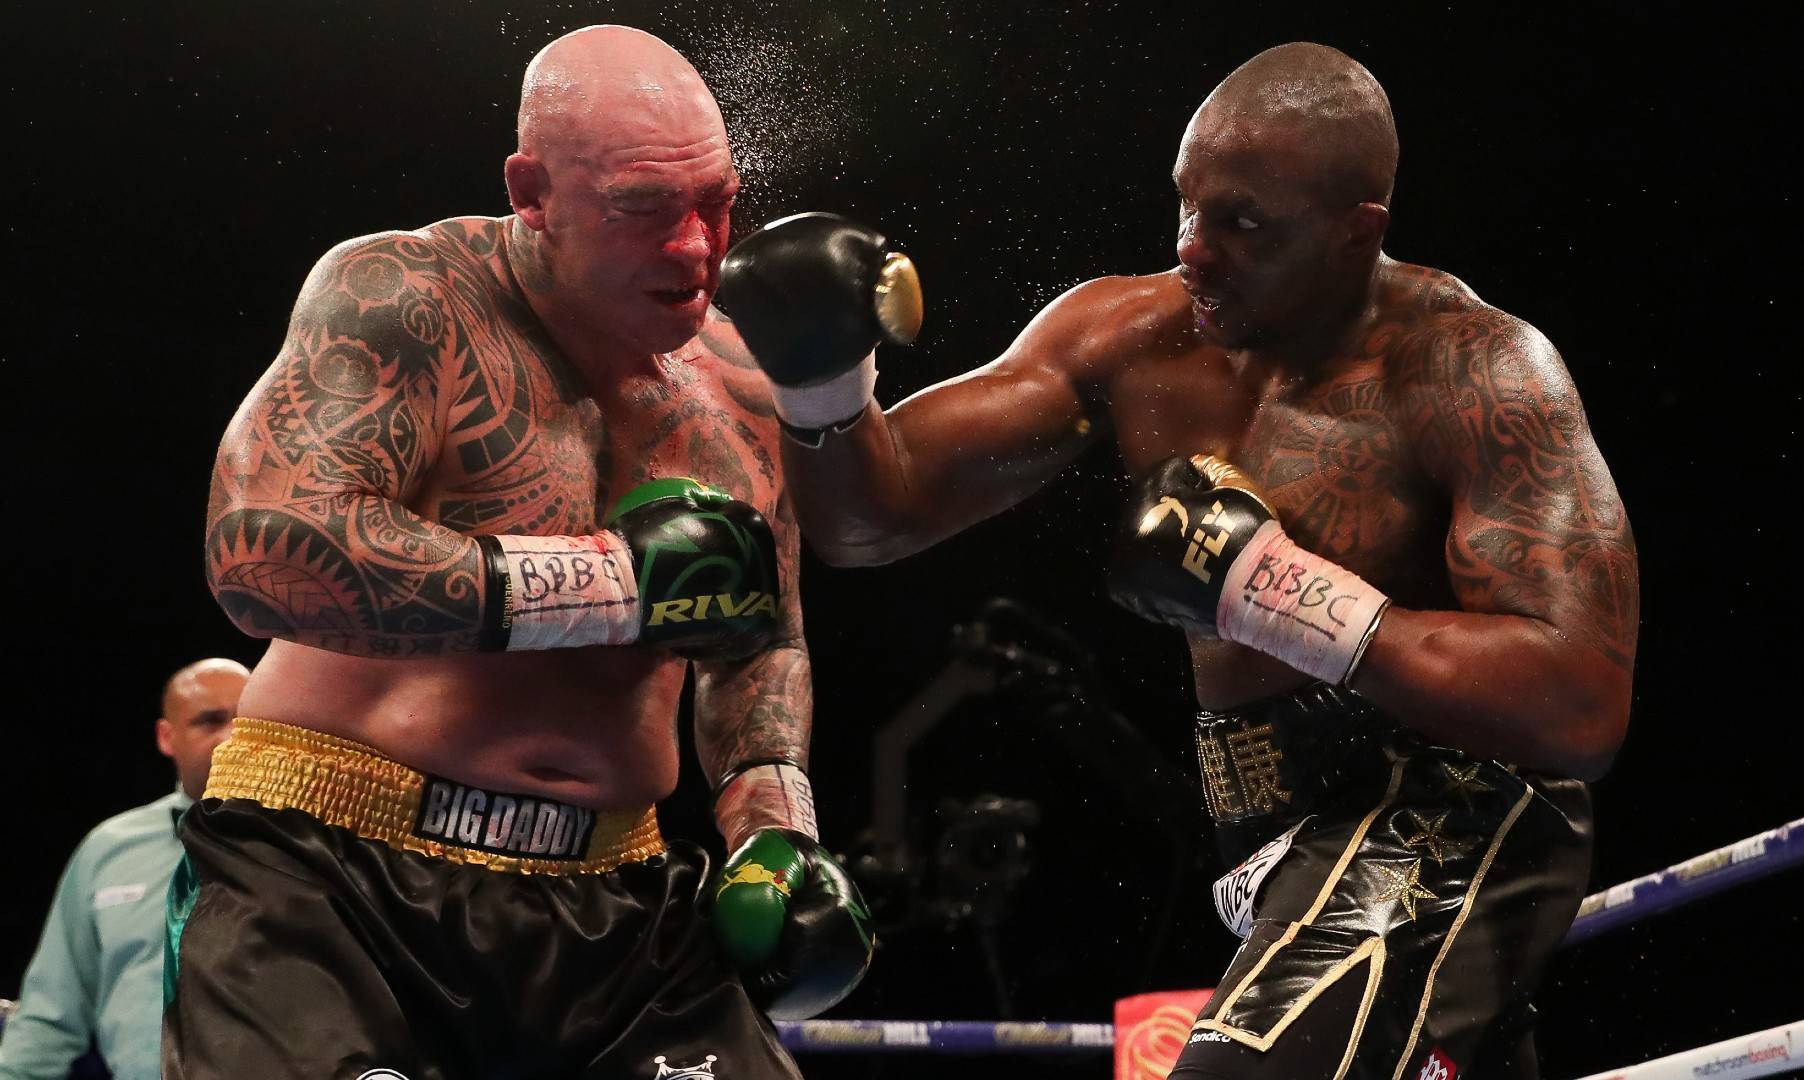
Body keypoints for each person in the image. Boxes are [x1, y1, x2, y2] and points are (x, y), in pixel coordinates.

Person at [718, 42, 1638, 1080]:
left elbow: (1581, 704)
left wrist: (1276, 591)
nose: (1194, 248)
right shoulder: (1131, 337)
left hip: (1451, 812)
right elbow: (869, 522)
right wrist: (822, 382)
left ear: (1356, 232)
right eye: (1188, 204)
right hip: (1273, 841)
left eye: (1243, 223)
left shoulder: (1473, 371)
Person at [184, 24, 870, 1080]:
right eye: (645, 207)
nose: (697, 246)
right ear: (533, 192)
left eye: (717, 202)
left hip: (613, 898)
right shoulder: (408, 299)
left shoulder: (738, 381)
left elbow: (757, 635)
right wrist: (608, 585)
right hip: (336, 870)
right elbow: (262, 547)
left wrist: (774, 834)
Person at [0, 659, 247, 1080]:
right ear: (167, 737)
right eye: (210, 721)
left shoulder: (311, 844)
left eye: (245, 722)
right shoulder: (110, 848)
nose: (231, 737)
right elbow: (51, 1015)